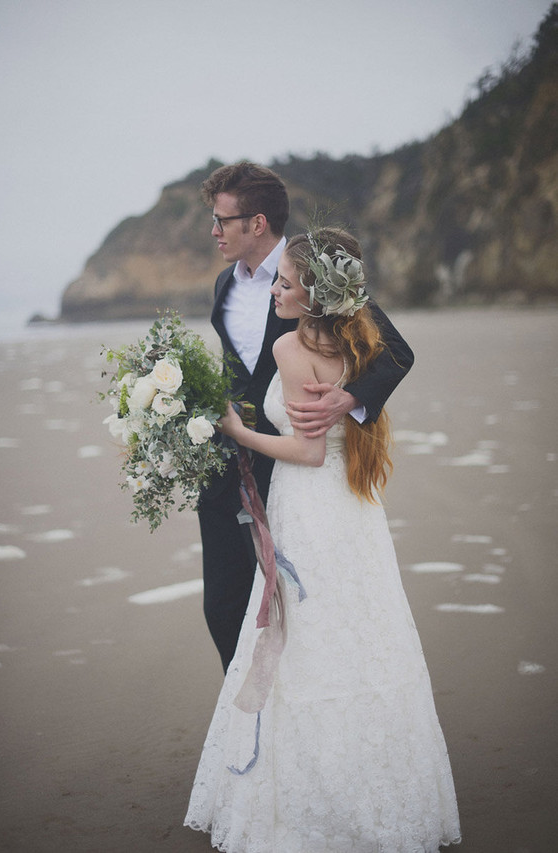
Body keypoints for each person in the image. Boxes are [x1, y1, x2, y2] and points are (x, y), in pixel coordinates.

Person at [184, 227, 460, 851]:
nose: (274, 288)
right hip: (357, 509)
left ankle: (302, 796)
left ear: (311, 292)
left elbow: (306, 453)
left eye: (283, 282)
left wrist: (235, 429)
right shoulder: (355, 339)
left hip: (308, 508)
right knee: (364, 632)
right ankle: (379, 786)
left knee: (302, 640)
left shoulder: (290, 347)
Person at [198, 162, 414, 672]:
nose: (213, 231)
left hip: (292, 469)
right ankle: (251, 724)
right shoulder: (223, 287)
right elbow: (239, 370)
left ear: (256, 223)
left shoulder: (313, 270)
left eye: (221, 220)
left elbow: (396, 352)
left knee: (297, 607)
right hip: (228, 469)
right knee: (225, 607)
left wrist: (348, 398)